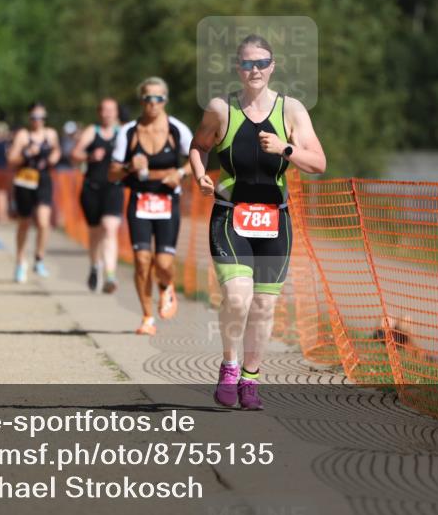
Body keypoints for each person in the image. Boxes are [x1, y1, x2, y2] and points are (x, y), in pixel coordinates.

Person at [189, 34, 326, 410]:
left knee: (264, 307)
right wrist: (200, 174)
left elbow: (319, 163)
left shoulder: (292, 111)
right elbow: (199, 145)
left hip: (274, 222)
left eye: (262, 62)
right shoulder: (221, 108)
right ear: (238, 68)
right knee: (237, 297)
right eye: (248, 63)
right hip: (231, 216)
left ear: (273, 66)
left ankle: (251, 379)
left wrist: (286, 149)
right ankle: (230, 366)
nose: (255, 70)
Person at [109, 77, 192, 336]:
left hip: (167, 199)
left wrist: (180, 173)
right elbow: (112, 172)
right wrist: (128, 167)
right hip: (140, 199)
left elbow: (199, 160)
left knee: (163, 262)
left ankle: (167, 286)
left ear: (165, 100)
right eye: (147, 98)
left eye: (158, 98)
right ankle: (147, 317)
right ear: (141, 100)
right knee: (142, 261)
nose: (152, 103)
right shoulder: (129, 132)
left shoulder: (177, 129)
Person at [71, 97, 124, 293]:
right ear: (98, 112)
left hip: (114, 187)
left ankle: (110, 276)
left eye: (111, 110)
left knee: (109, 228)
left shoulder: (123, 133)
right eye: (104, 110)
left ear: (116, 113)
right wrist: (89, 156)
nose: (107, 113)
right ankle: (95, 266)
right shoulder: (92, 132)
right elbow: (75, 154)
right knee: (94, 233)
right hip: (92, 188)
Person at [8, 102, 60, 283]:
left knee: (44, 221)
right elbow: (11, 159)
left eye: (41, 118)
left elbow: (56, 151)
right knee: (24, 223)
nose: (38, 121)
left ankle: (39, 258)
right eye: (34, 118)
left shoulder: (51, 134)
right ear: (30, 118)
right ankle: (20, 261)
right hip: (25, 180)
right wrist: (27, 153)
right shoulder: (23, 135)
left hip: (43, 179)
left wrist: (54, 157)